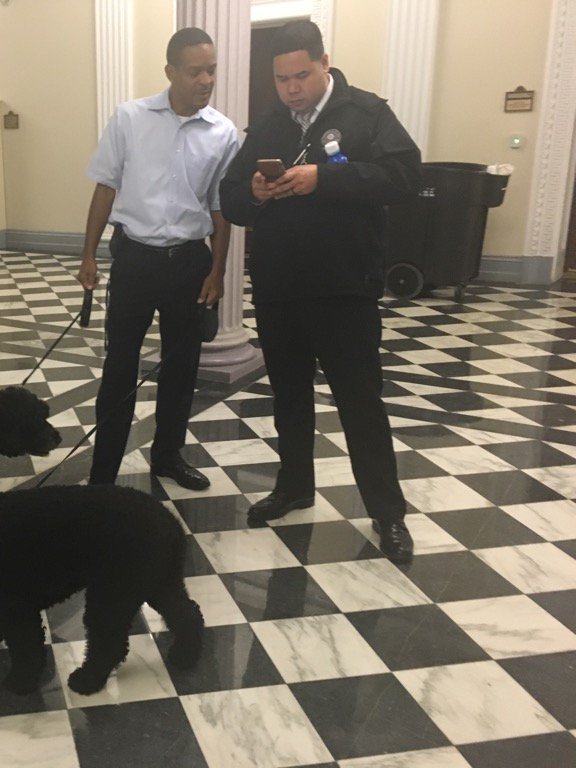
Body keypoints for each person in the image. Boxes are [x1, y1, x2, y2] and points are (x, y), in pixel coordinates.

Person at [219, 20, 421, 563]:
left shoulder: (367, 114)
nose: (291, 89)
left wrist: (324, 179)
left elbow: (404, 176)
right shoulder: (267, 126)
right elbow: (232, 197)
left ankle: (387, 512)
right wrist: (256, 191)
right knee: (289, 397)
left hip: (344, 289)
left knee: (359, 403)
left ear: (324, 62)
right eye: (282, 79)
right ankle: (293, 487)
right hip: (281, 289)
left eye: (301, 75)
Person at [79, 27, 239, 491]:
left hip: (189, 263)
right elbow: (105, 186)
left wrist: (218, 269)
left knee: (181, 367)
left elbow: (220, 208)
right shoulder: (130, 118)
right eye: (195, 71)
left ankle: (167, 456)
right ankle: (103, 471)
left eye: (211, 69)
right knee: (119, 367)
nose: (206, 79)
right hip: (134, 260)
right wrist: (88, 254)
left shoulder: (223, 132)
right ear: (171, 72)